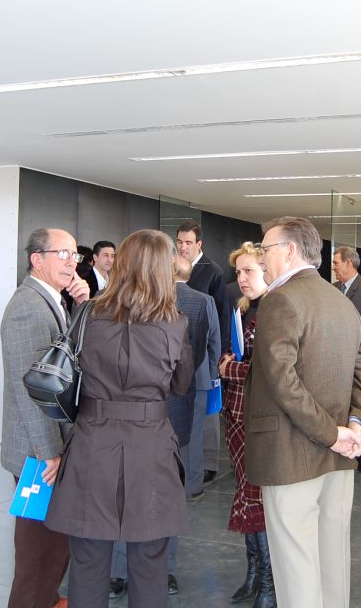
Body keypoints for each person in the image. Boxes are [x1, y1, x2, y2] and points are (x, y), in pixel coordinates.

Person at [45, 230, 194, 608]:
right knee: (149, 560)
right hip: (151, 447)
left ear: (121, 264)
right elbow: (181, 385)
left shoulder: (87, 314)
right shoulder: (175, 323)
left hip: (92, 442)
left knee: (88, 559)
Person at [245, 216, 361, 608]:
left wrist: (334, 434)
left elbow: (282, 381)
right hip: (339, 455)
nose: (261, 259)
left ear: (289, 251)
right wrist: (354, 426)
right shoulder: (341, 300)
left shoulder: (280, 299)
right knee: (333, 560)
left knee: (296, 566)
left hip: (292, 456)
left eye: (265, 250)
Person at [109, 255, 218, 598]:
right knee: (127, 490)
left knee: (164, 495)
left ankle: (160, 569)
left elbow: (194, 357)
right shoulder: (119, 301)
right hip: (132, 415)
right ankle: (125, 569)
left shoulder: (197, 303)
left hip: (172, 411)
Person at [1, 228, 90, 608]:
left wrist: (83, 304)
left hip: (48, 446)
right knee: (38, 550)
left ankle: (48, 599)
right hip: (39, 451)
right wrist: (49, 451)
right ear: (36, 259)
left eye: (74, 255)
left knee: (53, 542)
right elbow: (31, 390)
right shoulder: (28, 307)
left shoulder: (53, 299)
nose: (72, 262)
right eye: (62, 254)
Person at [217, 242, 275, 608]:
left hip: (261, 418)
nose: (241, 278)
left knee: (258, 499)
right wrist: (228, 361)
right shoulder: (242, 307)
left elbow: (271, 370)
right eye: (238, 272)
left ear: (267, 271)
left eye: (248, 271)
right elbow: (231, 353)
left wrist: (230, 368)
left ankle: (269, 583)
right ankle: (254, 574)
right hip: (236, 414)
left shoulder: (275, 309)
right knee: (245, 493)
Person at [175, 221, 230, 483]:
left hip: (204, 355)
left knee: (206, 414)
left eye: (188, 242)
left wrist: (219, 357)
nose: (183, 247)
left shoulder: (212, 271)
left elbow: (221, 315)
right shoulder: (174, 268)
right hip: (179, 356)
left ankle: (207, 464)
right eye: (179, 242)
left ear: (199, 244)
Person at [331, 245, 361, 472]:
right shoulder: (332, 289)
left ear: (349, 263)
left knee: (360, 404)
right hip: (334, 360)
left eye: (336, 262)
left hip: (359, 358)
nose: (333, 267)